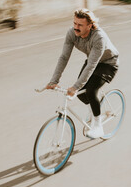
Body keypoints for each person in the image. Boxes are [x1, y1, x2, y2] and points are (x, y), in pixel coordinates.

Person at [46, 9, 119, 139]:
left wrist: (75, 87)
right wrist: (54, 80)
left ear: (89, 26)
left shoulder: (99, 37)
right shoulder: (72, 33)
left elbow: (91, 65)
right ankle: (96, 107)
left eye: (80, 25)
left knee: (90, 90)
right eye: (74, 23)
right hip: (92, 60)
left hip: (108, 63)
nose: (76, 27)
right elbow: (64, 57)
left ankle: (98, 126)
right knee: (81, 94)